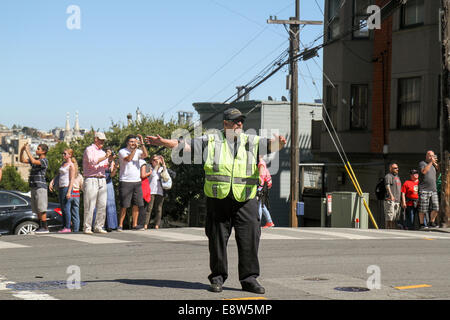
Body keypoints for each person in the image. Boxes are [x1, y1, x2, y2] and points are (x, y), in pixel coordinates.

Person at [146, 107, 287, 295]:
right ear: (225, 124)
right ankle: (218, 278)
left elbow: (272, 146)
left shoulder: (250, 141)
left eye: (241, 121)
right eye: (235, 121)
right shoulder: (211, 140)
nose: (239, 124)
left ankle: (249, 279)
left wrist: (280, 143)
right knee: (217, 240)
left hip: (246, 198)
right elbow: (185, 145)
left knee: (249, 239)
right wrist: (164, 142)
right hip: (218, 198)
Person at [82, 132, 112, 234]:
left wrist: (110, 159)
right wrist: (105, 157)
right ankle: (87, 227)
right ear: (96, 139)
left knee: (102, 204)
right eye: (100, 140)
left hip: (102, 178)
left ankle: (99, 226)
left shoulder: (103, 152)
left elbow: (106, 166)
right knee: (90, 204)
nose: (102, 142)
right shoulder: (89, 149)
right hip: (91, 178)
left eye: (103, 140)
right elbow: (92, 161)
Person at [117, 134, 148, 231]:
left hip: (137, 181)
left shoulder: (138, 151)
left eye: (134, 142)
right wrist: (134, 150)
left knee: (136, 204)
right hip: (126, 181)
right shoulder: (122, 151)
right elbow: (128, 159)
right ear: (127, 143)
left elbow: (145, 155)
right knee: (125, 205)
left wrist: (142, 143)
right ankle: (120, 225)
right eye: (131, 142)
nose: (133, 143)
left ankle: (135, 224)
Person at [20, 143, 49, 234]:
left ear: (43, 151)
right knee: (37, 209)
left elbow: (33, 161)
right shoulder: (35, 160)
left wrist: (28, 150)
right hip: (34, 186)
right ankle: (40, 226)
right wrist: (22, 150)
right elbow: (22, 160)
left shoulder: (44, 160)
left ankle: (44, 227)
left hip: (41, 187)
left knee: (41, 208)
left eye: (38, 149)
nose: (36, 150)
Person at [49, 149, 76, 233]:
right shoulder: (63, 164)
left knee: (66, 207)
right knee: (62, 207)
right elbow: (59, 174)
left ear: (70, 155)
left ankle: (68, 226)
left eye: (65, 154)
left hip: (66, 187)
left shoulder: (71, 165)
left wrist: (69, 191)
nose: (63, 155)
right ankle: (64, 225)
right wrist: (52, 181)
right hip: (60, 187)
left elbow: (72, 179)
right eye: (63, 153)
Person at [418, 150, 440, 229]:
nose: (432, 157)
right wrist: (431, 162)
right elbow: (424, 171)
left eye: (433, 156)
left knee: (436, 207)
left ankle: (431, 222)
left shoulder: (433, 165)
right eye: (430, 156)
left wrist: (434, 163)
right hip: (424, 189)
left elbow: (439, 170)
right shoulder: (422, 163)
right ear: (427, 156)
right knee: (423, 209)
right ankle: (422, 224)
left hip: (433, 189)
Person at [146, 155, 167, 229]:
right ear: (151, 161)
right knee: (149, 208)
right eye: (154, 160)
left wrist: (163, 163)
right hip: (151, 190)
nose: (156, 161)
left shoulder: (161, 168)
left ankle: (157, 224)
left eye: (157, 160)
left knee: (158, 208)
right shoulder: (149, 168)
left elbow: (166, 175)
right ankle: (146, 224)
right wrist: (156, 166)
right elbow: (152, 175)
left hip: (160, 191)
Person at [257, 155, 274, 228]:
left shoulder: (261, 163)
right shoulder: (262, 162)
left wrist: (259, 188)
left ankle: (257, 223)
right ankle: (269, 221)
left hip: (263, 185)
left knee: (259, 204)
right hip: (265, 185)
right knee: (262, 204)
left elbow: (262, 176)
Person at [384, 162, 402, 229]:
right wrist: (391, 195)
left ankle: (393, 229)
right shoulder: (388, 176)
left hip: (397, 200)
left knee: (395, 218)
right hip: (390, 200)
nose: (397, 169)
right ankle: (388, 229)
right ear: (390, 169)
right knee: (389, 217)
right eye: (395, 168)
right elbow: (387, 186)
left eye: (397, 168)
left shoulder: (397, 177)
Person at [104, 149, 119, 232]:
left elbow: (112, 174)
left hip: (108, 182)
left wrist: (115, 168)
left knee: (110, 203)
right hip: (101, 180)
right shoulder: (103, 160)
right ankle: (101, 224)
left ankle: (111, 224)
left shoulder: (112, 162)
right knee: (100, 204)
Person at [138, 158, 152, 229]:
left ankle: (141, 224)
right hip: (142, 186)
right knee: (142, 206)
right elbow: (143, 175)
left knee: (142, 206)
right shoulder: (142, 163)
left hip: (142, 186)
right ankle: (140, 224)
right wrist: (149, 173)